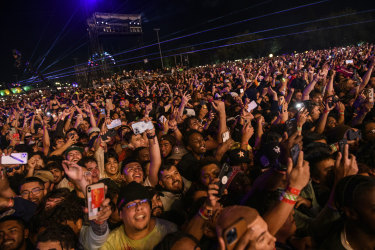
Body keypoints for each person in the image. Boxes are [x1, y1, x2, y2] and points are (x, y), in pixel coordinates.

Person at [100, 182, 177, 250]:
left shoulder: (169, 231)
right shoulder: (110, 243)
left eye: (143, 201)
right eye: (131, 205)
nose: (139, 207)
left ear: (150, 208)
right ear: (121, 214)